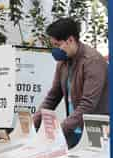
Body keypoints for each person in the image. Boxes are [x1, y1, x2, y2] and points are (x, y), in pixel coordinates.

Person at [33, 18, 109, 148]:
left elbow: (88, 104)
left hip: (95, 130)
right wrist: (33, 124)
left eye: (57, 45)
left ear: (70, 40)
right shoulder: (63, 62)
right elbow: (53, 96)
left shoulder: (92, 61)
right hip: (74, 129)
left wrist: (60, 129)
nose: (55, 49)